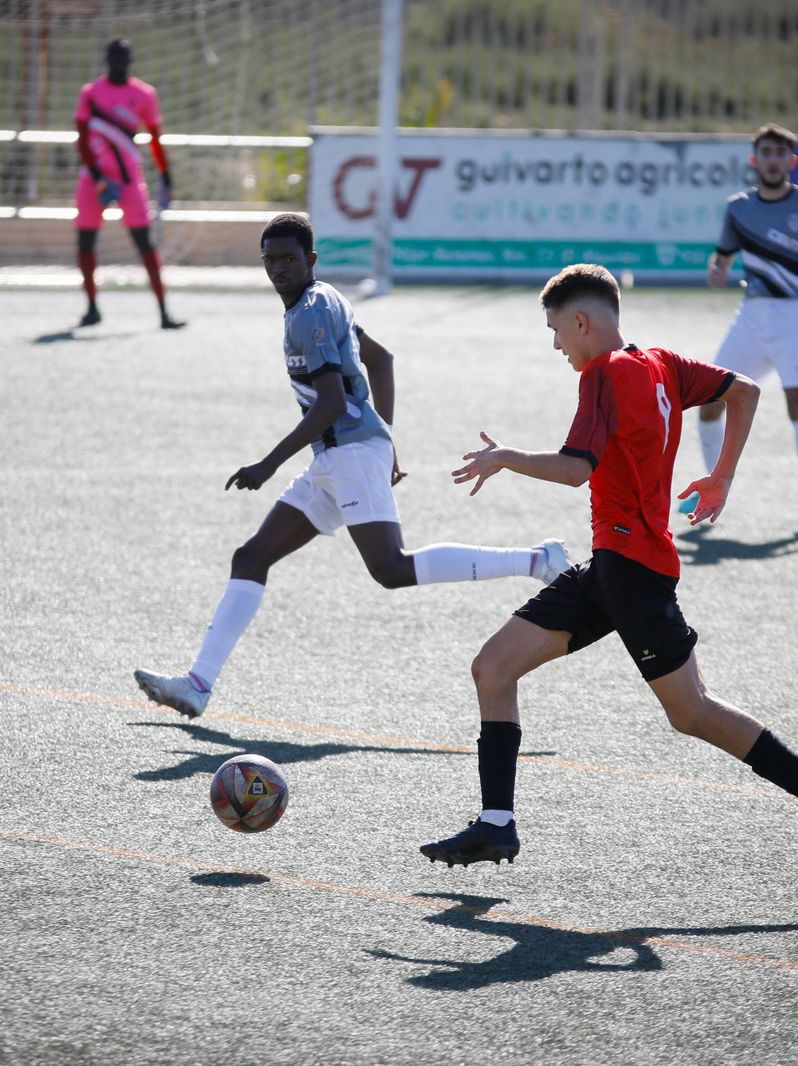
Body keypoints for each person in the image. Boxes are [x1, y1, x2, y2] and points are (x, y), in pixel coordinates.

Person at [418, 264, 798, 890]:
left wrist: (506, 457)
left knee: (692, 711)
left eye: (556, 331)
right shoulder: (662, 364)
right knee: (493, 668)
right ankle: (496, 822)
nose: (556, 345)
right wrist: (722, 477)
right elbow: (744, 391)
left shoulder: (603, 375)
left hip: (633, 574)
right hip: (612, 567)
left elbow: (575, 468)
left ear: (582, 322)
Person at [133, 214, 571, 718]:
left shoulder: (310, 314)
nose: (279, 269)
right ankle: (198, 684)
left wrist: (268, 464)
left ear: (310, 260)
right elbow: (381, 360)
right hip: (340, 455)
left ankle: (538, 561)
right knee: (251, 557)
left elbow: (332, 403)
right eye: (270, 260)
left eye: (289, 259)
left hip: (347, 453)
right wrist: (385, 439)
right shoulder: (326, 299)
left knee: (391, 569)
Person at [689, 122, 798, 539]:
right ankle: (712, 488)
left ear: (792, 161)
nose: (774, 161)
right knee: (709, 400)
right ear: (754, 159)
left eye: (781, 154)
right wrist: (717, 270)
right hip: (753, 314)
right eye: (767, 153)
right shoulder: (738, 208)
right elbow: (722, 257)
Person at [73, 37, 183, 330]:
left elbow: (156, 139)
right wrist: (98, 178)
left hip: (129, 180)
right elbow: (82, 140)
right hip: (93, 178)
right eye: (114, 58)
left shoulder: (144, 94)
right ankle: (92, 308)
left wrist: (166, 175)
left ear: (130, 61)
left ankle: (164, 312)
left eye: (123, 58)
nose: (118, 63)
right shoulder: (90, 93)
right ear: (107, 60)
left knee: (145, 243)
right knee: (85, 242)